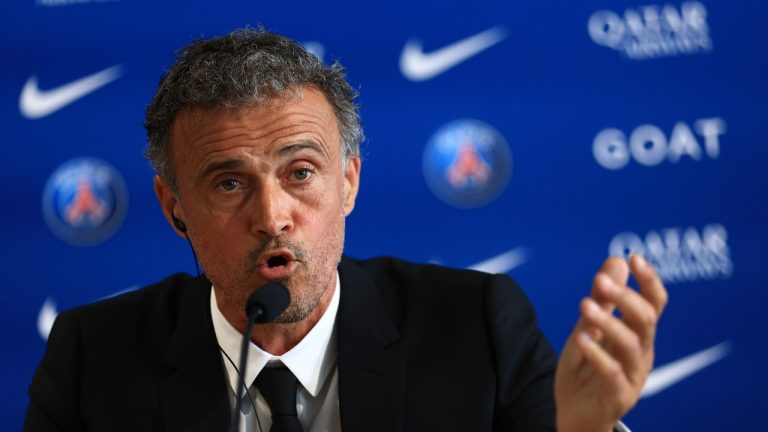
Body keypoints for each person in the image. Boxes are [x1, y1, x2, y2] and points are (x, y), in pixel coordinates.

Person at [25, 28, 668, 432]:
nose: (273, 215)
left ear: (350, 182)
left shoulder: (477, 326)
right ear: (174, 208)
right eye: (228, 183)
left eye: (301, 172)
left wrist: (582, 429)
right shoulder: (92, 359)